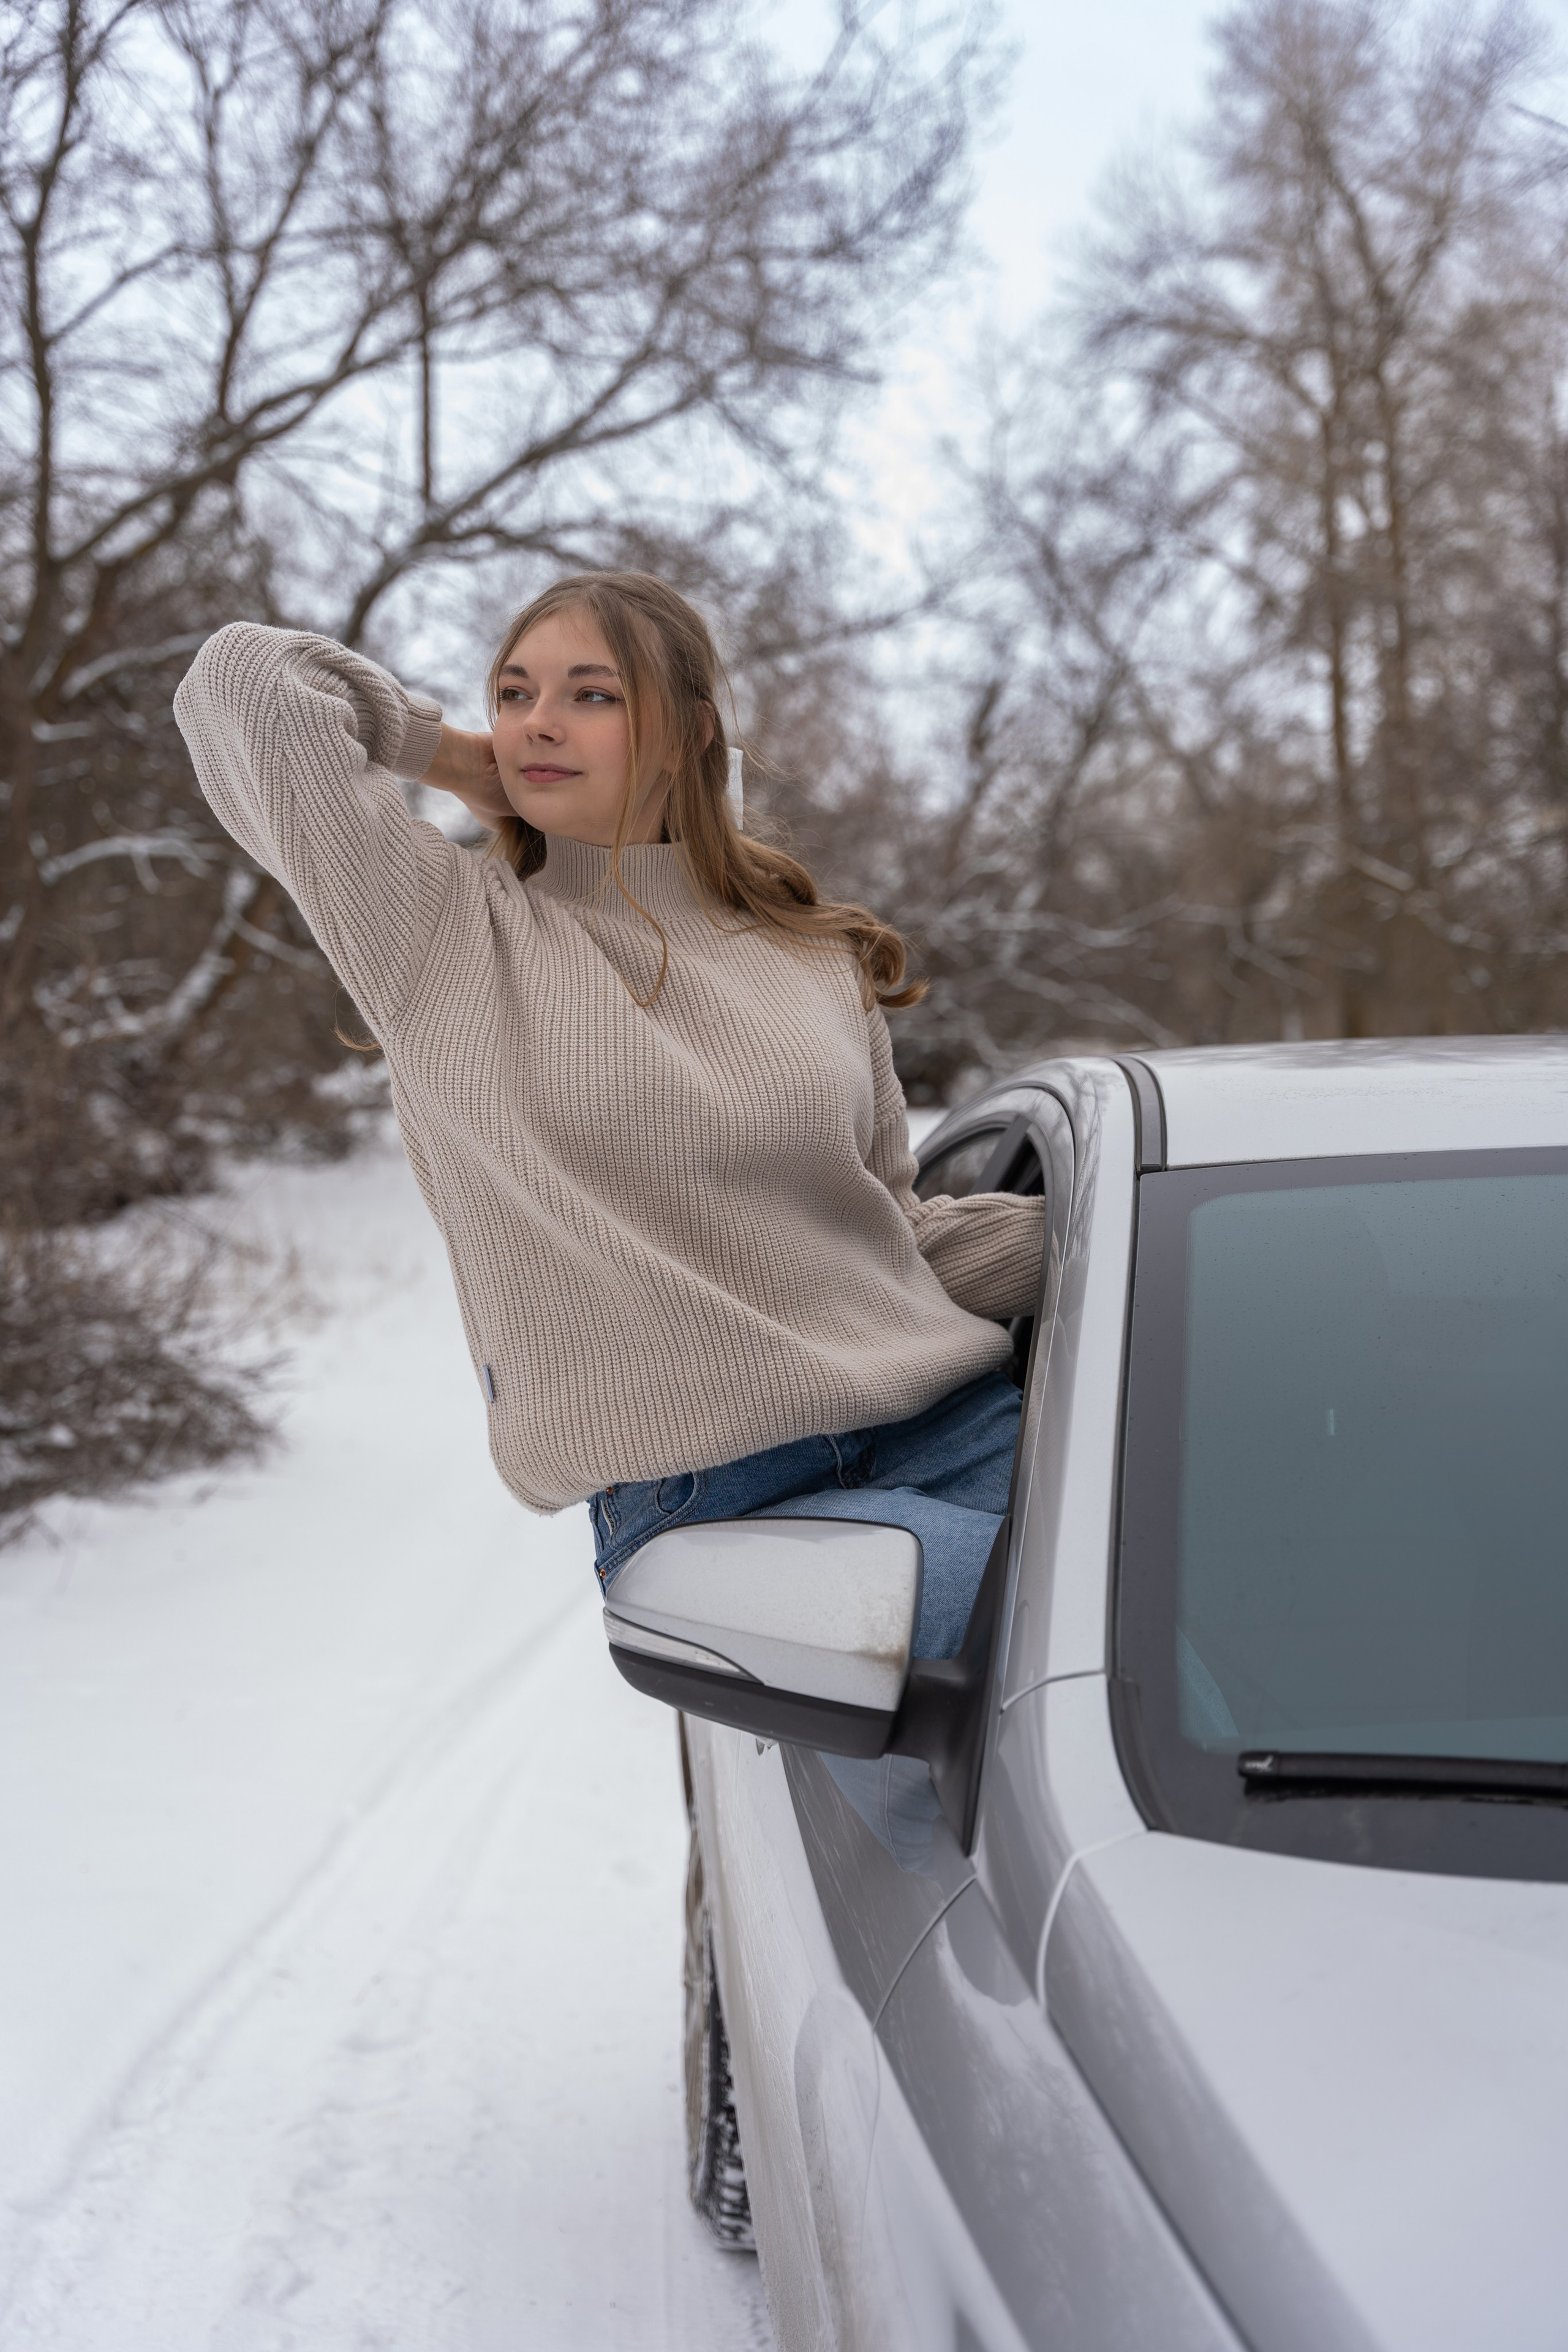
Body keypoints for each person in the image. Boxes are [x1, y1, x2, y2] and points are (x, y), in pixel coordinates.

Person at [174, 573, 1046, 1861]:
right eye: (516, 694)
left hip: (959, 1424)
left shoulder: (807, 957)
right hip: (738, 1517)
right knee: (1092, 1675)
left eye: (593, 696)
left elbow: (888, 1233)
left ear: (691, 731)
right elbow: (242, 685)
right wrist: (451, 757)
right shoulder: (443, 933)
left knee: (1258, 1601)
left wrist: (1112, 1243)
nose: (540, 722)